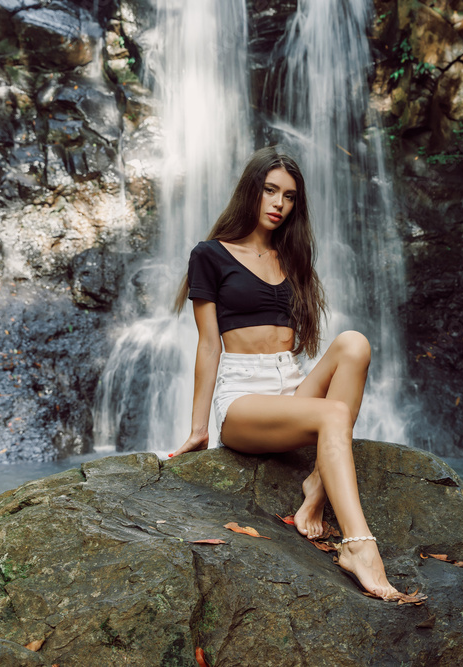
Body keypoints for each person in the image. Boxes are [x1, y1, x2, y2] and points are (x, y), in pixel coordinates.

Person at [170, 146, 405, 602]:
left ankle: (317, 481)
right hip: (242, 399)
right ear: (250, 192)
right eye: (270, 190)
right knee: (333, 414)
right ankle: (359, 546)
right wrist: (199, 429)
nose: (279, 203)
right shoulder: (211, 255)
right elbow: (207, 344)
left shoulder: (291, 258)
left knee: (354, 343)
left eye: (290, 196)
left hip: (291, 386)